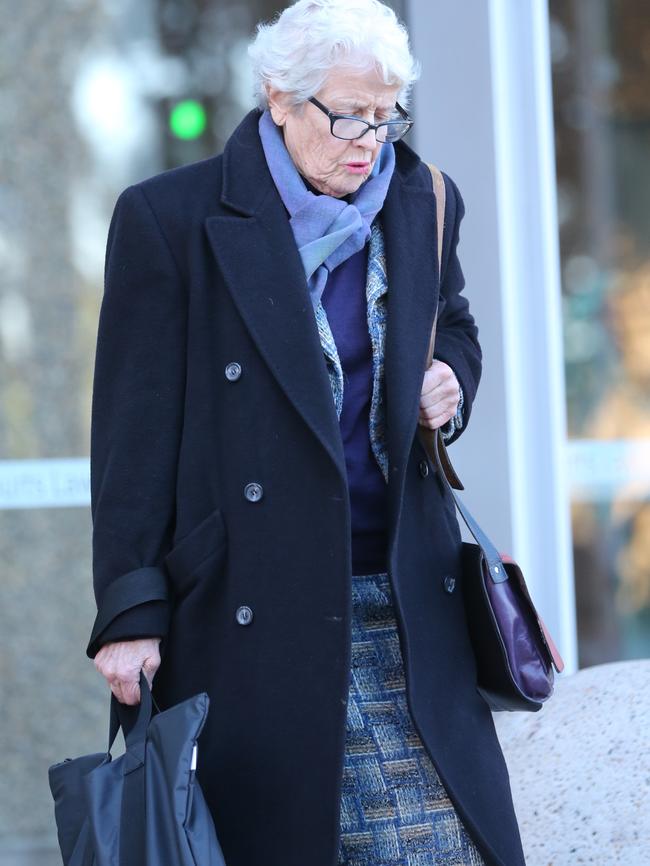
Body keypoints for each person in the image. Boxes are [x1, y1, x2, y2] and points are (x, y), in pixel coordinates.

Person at [87, 1, 526, 863]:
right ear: (277, 99)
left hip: (406, 594)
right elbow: (132, 432)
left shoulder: (422, 199)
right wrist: (130, 609)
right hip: (258, 602)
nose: (370, 138)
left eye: (387, 113)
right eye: (348, 113)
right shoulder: (170, 221)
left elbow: (455, 326)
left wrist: (451, 383)